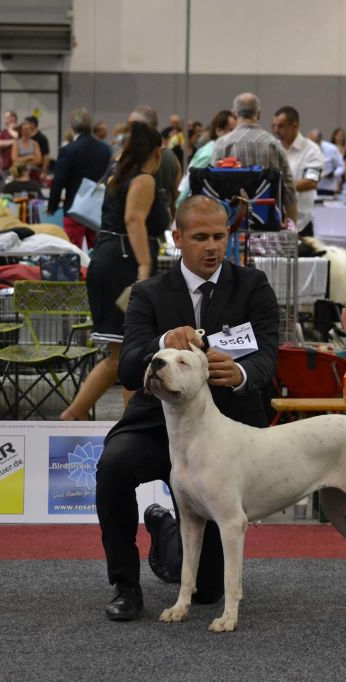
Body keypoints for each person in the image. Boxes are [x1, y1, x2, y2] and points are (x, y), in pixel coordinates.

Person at [95, 194, 280, 621]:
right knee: (113, 467)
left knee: (207, 593)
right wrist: (162, 343)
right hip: (156, 428)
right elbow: (126, 366)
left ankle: (166, 526)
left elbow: (268, 354)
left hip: (227, 435)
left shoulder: (253, 286)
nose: (212, 246)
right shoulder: (147, 293)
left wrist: (242, 373)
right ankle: (125, 585)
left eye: (219, 236)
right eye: (200, 237)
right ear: (177, 237)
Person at [59, 122, 168, 421]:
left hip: (107, 260)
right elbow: (134, 220)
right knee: (126, 357)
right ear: (158, 152)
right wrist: (144, 267)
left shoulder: (117, 173)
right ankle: (126, 423)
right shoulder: (143, 180)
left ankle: (77, 413)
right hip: (124, 266)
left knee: (120, 355)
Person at [210, 93, 297, 224]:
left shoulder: (222, 144)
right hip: (268, 224)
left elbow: (213, 186)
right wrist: (292, 225)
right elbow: (289, 189)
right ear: (259, 114)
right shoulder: (274, 144)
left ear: (234, 114)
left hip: (231, 225)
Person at [47, 107, 113, 250]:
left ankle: (77, 273)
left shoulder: (68, 150)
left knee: (72, 248)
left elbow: (59, 181)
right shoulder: (105, 149)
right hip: (97, 208)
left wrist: (52, 205)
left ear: (72, 126)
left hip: (74, 208)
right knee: (95, 248)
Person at [272, 105, 324, 235]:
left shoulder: (311, 150)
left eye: (281, 126)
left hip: (301, 223)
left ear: (294, 126)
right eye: (274, 126)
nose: (275, 130)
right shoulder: (273, 148)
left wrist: (279, 187)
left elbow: (311, 182)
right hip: (275, 221)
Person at [176, 109, 237, 207]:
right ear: (218, 131)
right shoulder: (209, 154)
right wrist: (180, 208)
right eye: (231, 130)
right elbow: (189, 184)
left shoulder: (217, 151)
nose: (235, 134)